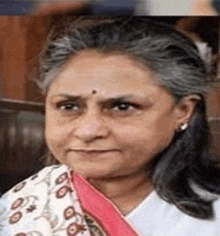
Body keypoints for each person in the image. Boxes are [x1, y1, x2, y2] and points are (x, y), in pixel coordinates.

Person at [0, 16, 220, 236]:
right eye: (68, 106)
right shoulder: (21, 209)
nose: (88, 131)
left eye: (122, 107)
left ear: (183, 111)